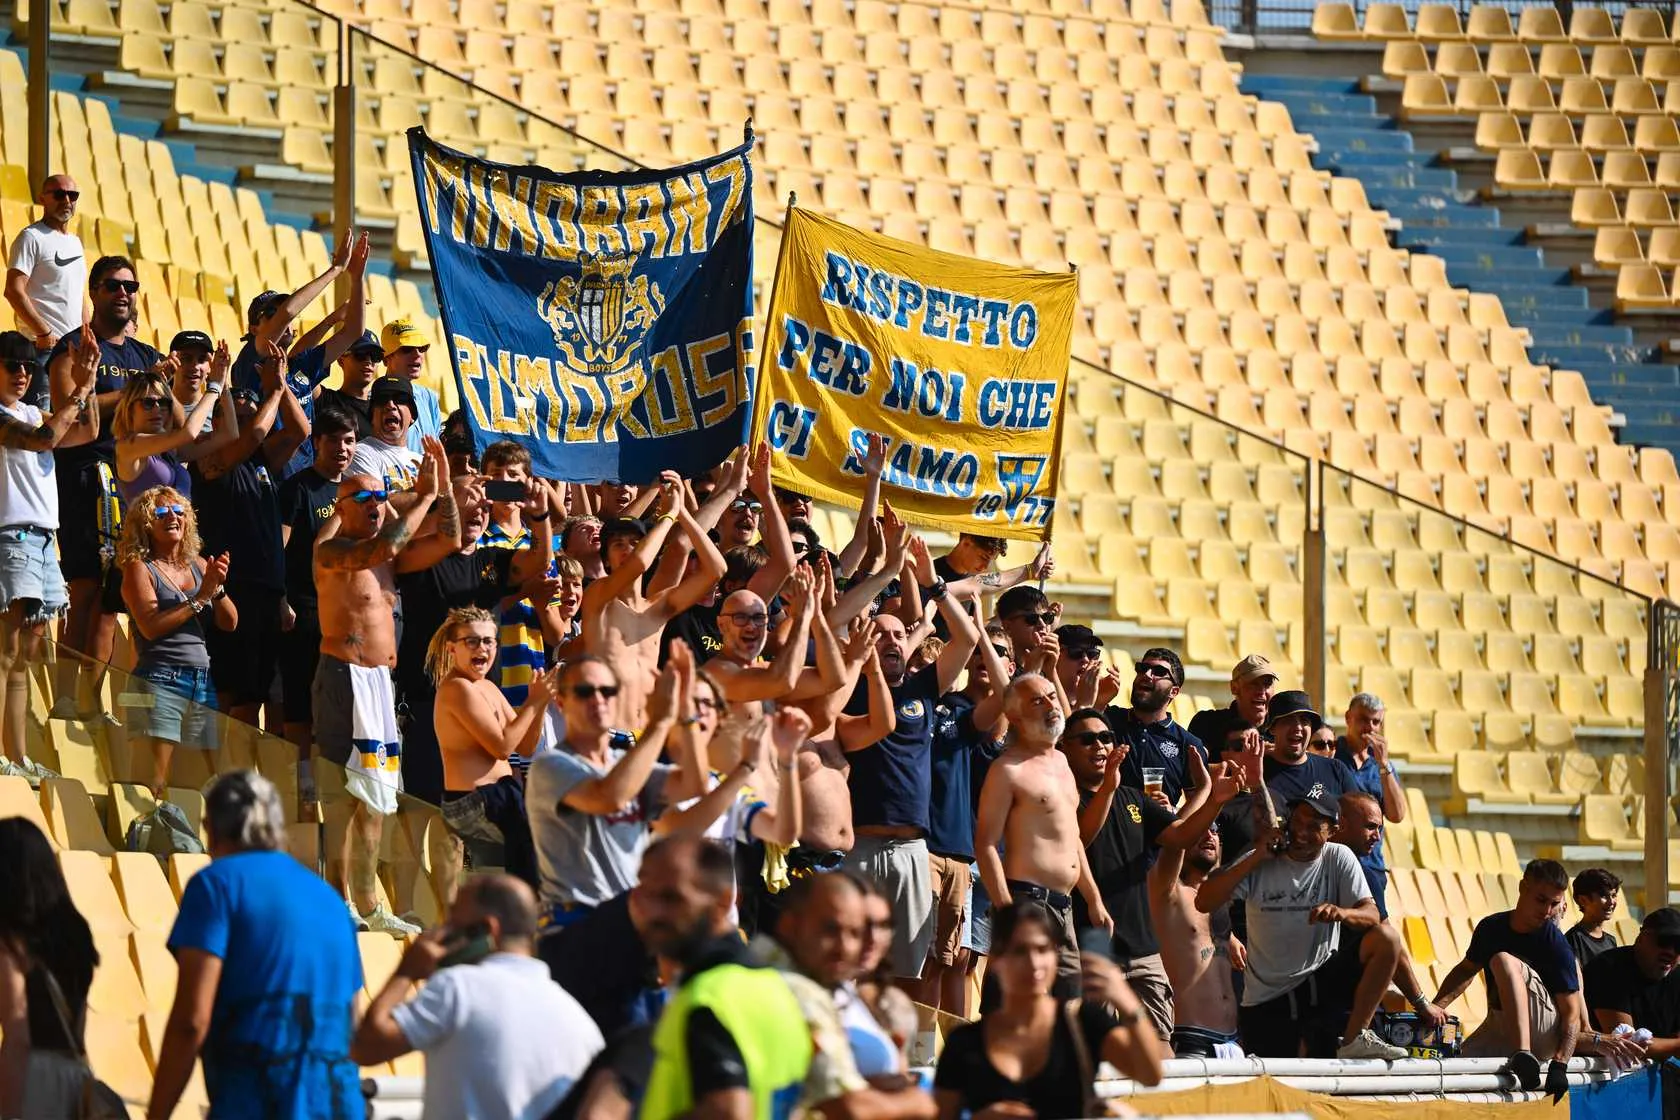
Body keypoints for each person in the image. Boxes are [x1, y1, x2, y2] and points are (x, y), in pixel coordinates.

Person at [148, 771, 363, 1120]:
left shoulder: (216, 885)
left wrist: (157, 1115)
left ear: (211, 829)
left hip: (257, 1103)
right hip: (338, 1105)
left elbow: (191, 1021)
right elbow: (352, 1021)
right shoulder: (331, 901)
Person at [312, 439, 450, 936]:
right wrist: (424, 495)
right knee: (343, 798)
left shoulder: (387, 561)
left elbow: (450, 538)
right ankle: (337, 900)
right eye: (365, 499)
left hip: (380, 684)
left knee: (376, 798)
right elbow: (385, 545)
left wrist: (443, 487)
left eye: (381, 498)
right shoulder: (332, 551)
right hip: (343, 677)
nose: (376, 505)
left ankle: (370, 904)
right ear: (341, 507)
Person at [351, 875, 605, 1120]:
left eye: (453, 922)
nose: (441, 932)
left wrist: (407, 972)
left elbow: (366, 1047)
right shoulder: (580, 1021)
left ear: (487, 929)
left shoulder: (457, 989)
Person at [843, 533, 979, 982]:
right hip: (860, 846)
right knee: (852, 966)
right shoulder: (849, 686)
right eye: (881, 633)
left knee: (907, 973)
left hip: (912, 850)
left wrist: (935, 585)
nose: (892, 641)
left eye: (899, 635)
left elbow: (967, 638)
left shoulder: (924, 686)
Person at [1066, 705, 1242, 1045]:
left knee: (1160, 1049)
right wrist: (1107, 789)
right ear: (1066, 747)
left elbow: (1181, 836)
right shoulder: (1065, 799)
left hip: (1144, 947)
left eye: (1105, 737)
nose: (1099, 746)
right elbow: (1080, 840)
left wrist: (1215, 801)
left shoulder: (1132, 797)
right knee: (1099, 1049)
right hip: (1093, 945)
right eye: (1087, 739)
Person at [1195, 792, 1407, 1060]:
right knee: (1277, 1076)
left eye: (1313, 826)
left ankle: (1355, 1038)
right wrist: (1257, 855)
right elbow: (1204, 901)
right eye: (1297, 822)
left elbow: (1372, 914)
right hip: (1268, 994)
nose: (1301, 832)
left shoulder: (1338, 856)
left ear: (1333, 831)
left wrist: (1342, 912)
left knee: (1387, 939)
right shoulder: (1262, 857)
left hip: (1320, 982)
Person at [47, 255, 160, 724]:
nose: (122, 294)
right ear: (93, 291)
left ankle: (92, 702)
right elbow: (69, 412)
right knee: (86, 589)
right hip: (86, 477)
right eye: (113, 285)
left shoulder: (145, 356)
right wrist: (136, 392)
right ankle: (65, 697)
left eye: (130, 287)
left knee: (114, 599)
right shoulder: (75, 347)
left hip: (133, 481)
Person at [634, 836, 813, 1120]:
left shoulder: (707, 999)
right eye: (645, 893)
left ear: (724, 901)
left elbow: (728, 1112)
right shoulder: (777, 989)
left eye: (671, 898)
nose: (652, 912)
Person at [934, 901, 1161, 1120]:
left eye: (1043, 950)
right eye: (1020, 951)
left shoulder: (1082, 1022)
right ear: (996, 960)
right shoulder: (964, 1043)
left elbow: (1150, 1075)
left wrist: (1127, 1002)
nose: (1034, 963)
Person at [528, 652, 702, 935]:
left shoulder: (624, 763)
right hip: (576, 925)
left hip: (630, 918)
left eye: (607, 691)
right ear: (561, 703)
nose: (598, 699)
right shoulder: (550, 765)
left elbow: (693, 783)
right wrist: (659, 722)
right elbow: (609, 798)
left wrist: (687, 714)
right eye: (585, 691)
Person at [192, 340, 311, 727]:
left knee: (255, 692)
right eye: (236, 417)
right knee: (228, 689)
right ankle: (211, 759)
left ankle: (238, 761)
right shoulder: (208, 458)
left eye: (248, 416)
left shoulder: (260, 459)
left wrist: (282, 386)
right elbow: (257, 433)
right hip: (232, 586)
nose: (244, 424)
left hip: (266, 588)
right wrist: (272, 391)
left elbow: (300, 430)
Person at [758, 872, 937, 1119]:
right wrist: (919, 1102)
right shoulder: (799, 989)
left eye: (855, 932)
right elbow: (844, 1106)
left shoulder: (841, 989)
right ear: (789, 925)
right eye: (830, 929)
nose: (844, 946)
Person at [0, 328, 96, 783]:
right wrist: (77, 392)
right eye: (11, 365)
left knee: (25, 655)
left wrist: (88, 381)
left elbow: (87, 431)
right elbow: (44, 438)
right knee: (6, 651)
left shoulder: (31, 410)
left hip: (42, 539)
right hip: (11, 536)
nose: (22, 374)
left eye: (27, 366)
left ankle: (16, 757)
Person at [975, 676, 1112, 995]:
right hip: (1027, 902)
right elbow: (985, 845)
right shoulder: (1007, 769)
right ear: (1015, 716)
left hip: (1064, 907)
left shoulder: (1062, 761)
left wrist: (1093, 899)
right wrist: (1008, 912)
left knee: (1068, 1010)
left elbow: (1072, 837)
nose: (1052, 705)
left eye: (1052, 696)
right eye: (1038, 701)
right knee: (1013, 1007)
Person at [916, 618, 1012, 1015]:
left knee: (957, 959)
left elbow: (1007, 704)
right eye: (980, 650)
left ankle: (948, 1042)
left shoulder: (1001, 716)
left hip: (976, 851)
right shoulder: (951, 709)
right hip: (938, 843)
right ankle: (919, 1044)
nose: (986, 657)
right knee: (933, 960)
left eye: (998, 652)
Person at [580, 471, 727, 728]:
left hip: (644, 734)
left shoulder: (657, 608)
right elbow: (639, 563)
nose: (628, 549)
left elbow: (716, 570)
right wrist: (669, 516)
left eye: (635, 543)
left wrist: (683, 514)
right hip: (602, 733)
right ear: (606, 561)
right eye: (618, 544)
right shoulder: (598, 597)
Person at [118, 486, 237, 798]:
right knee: (151, 781)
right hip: (158, 679)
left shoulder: (198, 564)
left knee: (196, 784)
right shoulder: (139, 568)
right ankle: (142, 830)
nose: (172, 516)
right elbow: (150, 627)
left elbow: (230, 622)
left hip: (201, 680)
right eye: (161, 512)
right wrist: (200, 598)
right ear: (146, 524)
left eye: (179, 511)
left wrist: (217, 589)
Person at [428, 607, 554, 891]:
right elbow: (502, 748)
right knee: (534, 860)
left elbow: (526, 746)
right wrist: (533, 703)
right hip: (473, 802)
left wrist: (540, 704)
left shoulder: (488, 688)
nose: (481, 648)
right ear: (452, 648)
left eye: (488, 641)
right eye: (471, 641)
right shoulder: (457, 688)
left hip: (501, 797)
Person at [1431, 859, 1586, 1089]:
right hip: (1502, 1025)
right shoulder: (1490, 927)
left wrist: (1560, 1065)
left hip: (1545, 1032)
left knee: (1503, 961)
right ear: (1523, 888)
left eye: (1554, 904)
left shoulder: (1555, 942)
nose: (1547, 911)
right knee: (1450, 1073)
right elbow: (1466, 970)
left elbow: (1572, 1014)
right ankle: (1521, 1057)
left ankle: (1523, 1053)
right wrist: (1435, 1007)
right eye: (1541, 900)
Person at [276, 405, 359, 807]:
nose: (342, 449)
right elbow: (279, 549)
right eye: (334, 441)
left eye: (349, 441)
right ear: (317, 443)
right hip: (305, 608)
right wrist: (281, 599)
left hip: (346, 615)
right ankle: (302, 779)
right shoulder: (298, 489)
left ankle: (335, 780)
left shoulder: (359, 490)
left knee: (338, 702)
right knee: (299, 699)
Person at [0, 818, 105, 1118]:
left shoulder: (10, 943)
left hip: (32, 1082)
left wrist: (8, 1112)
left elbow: (18, 1037)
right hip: (75, 1079)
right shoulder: (75, 933)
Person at [1149, 825, 1240, 1057]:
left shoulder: (1220, 901)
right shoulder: (1167, 892)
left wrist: (1230, 938)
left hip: (1232, 1040)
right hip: (1191, 1039)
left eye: (1215, 830)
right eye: (1201, 829)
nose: (1209, 835)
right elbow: (1173, 844)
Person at [111, 347, 229, 506]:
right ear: (130, 409)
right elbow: (189, 432)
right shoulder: (128, 446)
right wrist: (214, 388)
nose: (157, 409)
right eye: (148, 403)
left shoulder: (169, 450)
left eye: (163, 403)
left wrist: (223, 383)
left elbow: (228, 434)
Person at [6, 173, 85, 402]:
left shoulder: (75, 242)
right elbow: (13, 290)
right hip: (43, 350)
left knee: (72, 418)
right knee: (43, 418)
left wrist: (88, 337)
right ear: (42, 198)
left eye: (73, 195)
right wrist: (44, 333)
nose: (67, 200)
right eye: (59, 194)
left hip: (73, 352)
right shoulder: (31, 237)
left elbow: (79, 296)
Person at [1101, 647, 1207, 807]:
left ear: (1174, 691)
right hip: (1109, 820)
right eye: (1142, 668)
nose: (1147, 674)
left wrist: (1172, 811)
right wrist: (1099, 701)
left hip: (1156, 823)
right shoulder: (1108, 718)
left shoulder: (1188, 744)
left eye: (1158, 672)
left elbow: (1198, 805)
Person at [1585, 907, 1680, 1053]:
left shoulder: (1677, 977)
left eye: (1679, 946)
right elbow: (1626, 1043)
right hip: (1605, 1065)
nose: (1671, 952)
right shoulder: (1608, 968)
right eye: (1664, 941)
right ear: (1641, 937)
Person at [1260, 691, 1356, 809]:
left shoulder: (1336, 769)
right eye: (1289, 720)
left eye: (1304, 720)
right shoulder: (1257, 771)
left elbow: (1358, 813)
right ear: (1272, 728)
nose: (1298, 727)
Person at [1187, 653, 1277, 766]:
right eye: (1253, 684)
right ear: (1234, 688)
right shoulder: (1208, 723)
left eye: (1267, 684)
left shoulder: (1281, 729)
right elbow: (1191, 768)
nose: (1261, 691)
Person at [1333, 693, 1405, 832]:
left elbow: (1397, 816)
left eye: (1376, 722)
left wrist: (1383, 764)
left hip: (1373, 845)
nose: (1370, 727)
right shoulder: (1332, 752)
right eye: (1363, 720)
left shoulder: (1383, 764)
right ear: (1348, 718)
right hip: (1338, 844)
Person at [349, 375, 423, 493]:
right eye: (382, 400)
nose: (390, 405)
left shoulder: (421, 461)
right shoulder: (359, 453)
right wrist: (423, 493)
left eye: (401, 399)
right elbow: (375, 501)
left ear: (412, 416)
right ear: (372, 416)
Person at [380, 318, 444, 451]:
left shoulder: (429, 397)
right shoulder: (374, 400)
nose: (417, 354)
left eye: (421, 348)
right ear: (386, 358)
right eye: (407, 349)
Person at [313, 329, 380, 437]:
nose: (368, 361)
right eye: (360, 355)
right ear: (340, 360)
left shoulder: (383, 407)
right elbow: (302, 367)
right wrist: (328, 323)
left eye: (375, 356)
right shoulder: (326, 400)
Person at [1566, 868, 1622, 969]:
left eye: (1613, 895)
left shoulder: (1611, 941)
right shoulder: (1574, 940)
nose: (1611, 902)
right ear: (1583, 900)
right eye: (1604, 896)